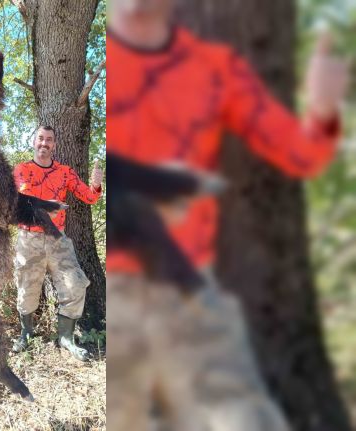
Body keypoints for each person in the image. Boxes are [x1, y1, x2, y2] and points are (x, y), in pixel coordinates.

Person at [105, 0, 350, 430]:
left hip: (190, 297)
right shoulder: (104, 60)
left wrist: (323, 110)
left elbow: (300, 154)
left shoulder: (213, 68)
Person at [11, 125, 104, 362]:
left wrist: (96, 185)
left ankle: (66, 338)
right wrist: (43, 208)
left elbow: (90, 198)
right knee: (27, 287)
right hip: (28, 239)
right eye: (40, 138)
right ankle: (26, 333)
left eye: (49, 140)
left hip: (57, 238)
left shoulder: (64, 171)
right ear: (34, 141)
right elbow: (15, 205)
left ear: (54, 145)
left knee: (75, 284)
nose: (44, 143)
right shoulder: (21, 170)